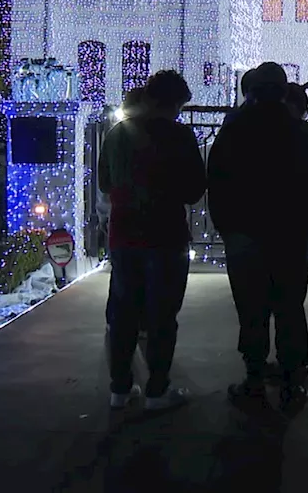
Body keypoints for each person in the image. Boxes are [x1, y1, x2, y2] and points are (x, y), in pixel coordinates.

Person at [208, 62, 308, 411]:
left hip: (246, 233)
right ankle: (292, 381)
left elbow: (216, 180)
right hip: (291, 234)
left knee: (251, 308)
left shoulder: (234, 131)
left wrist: (226, 226)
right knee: (289, 306)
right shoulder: (303, 133)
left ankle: (254, 378)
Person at [98, 70, 206, 411]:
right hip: (165, 234)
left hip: (124, 234)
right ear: (173, 103)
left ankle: (119, 388)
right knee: (162, 315)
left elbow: (104, 181)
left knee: (123, 313)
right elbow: (194, 190)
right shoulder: (179, 136)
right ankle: (157, 390)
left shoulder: (117, 134)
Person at [103, 85, 150, 334]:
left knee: (122, 277)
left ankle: (119, 328)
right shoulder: (162, 135)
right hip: (156, 221)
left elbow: (103, 181)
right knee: (149, 278)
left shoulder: (114, 135)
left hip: (122, 219)